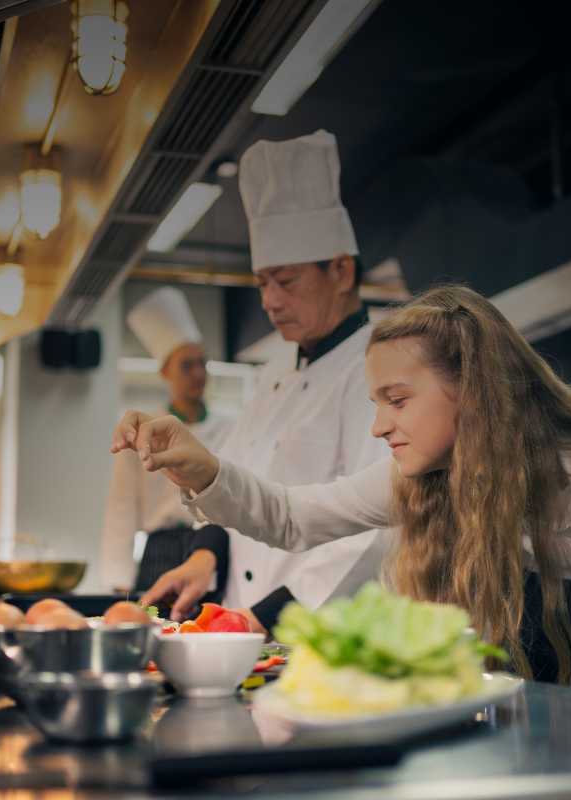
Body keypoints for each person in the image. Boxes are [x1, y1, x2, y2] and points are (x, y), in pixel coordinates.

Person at [113, 285, 571, 706]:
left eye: (397, 400)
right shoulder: (420, 481)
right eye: (377, 402)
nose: (378, 425)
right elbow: (290, 516)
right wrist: (199, 468)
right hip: (550, 758)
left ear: (474, 390)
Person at [138, 130, 389, 634]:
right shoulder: (275, 375)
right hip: (240, 623)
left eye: (287, 282)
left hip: (312, 628)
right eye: (262, 284)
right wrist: (205, 558)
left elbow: (373, 534)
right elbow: (234, 476)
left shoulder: (379, 369)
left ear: (340, 271)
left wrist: (266, 618)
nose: (270, 301)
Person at [100, 287, 233, 593]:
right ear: (164, 372)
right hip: (161, 551)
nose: (198, 373)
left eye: (203, 363)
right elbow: (122, 508)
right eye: (187, 365)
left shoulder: (230, 428)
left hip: (210, 548)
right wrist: (118, 582)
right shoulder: (143, 430)